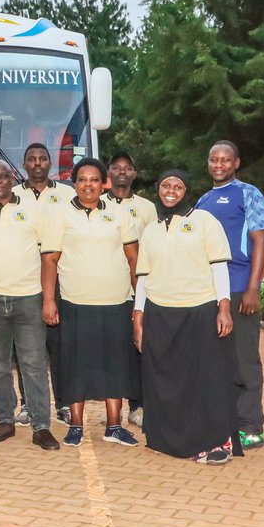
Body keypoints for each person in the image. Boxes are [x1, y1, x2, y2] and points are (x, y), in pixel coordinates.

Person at [134, 170, 239, 465]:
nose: (171, 190)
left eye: (177, 186)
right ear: (158, 189)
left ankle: (215, 443)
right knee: (163, 381)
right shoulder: (151, 229)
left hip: (199, 310)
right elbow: (143, 278)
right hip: (160, 313)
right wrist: (138, 318)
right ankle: (166, 440)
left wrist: (224, 307)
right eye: (165, 185)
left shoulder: (205, 221)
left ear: (186, 190)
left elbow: (219, 268)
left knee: (204, 380)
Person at [41, 157, 140, 448]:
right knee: (76, 366)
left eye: (94, 180)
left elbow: (134, 259)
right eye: (82, 179)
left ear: (103, 183)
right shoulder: (60, 215)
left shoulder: (120, 214)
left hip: (117, 302)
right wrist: (49, 301)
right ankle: (75, 425)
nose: (88, 185)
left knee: (116, 366)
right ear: (75, 183)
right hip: (75, 303)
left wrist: (140, 303)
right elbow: (50, 260)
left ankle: (114, 426)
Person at [0, 160, 59, 450]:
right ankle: (5, 419)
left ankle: (41, 425)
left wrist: (47, 297)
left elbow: (48, 254)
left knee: (34, 364)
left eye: (4, 175)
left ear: (12, 179)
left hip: (29, 297)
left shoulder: (34, 211)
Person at [195, 141, 264, 450]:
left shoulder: (248, 194)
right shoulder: (202, 200)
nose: (219, 164)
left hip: (240, 287)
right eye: (214, 159)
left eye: (226, 160)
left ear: (236, 163)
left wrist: (253, 288)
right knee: (215, 359)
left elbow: (260, 242)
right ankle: (222, 422)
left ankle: (251, 426)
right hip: (210, 289)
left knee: (244, 359)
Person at [12, 142, 70, 425]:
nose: (37, 163)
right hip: (24, 279)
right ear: (24, 165)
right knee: (27, 347)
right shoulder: (12, 196)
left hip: (60, 277)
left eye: (42, 159)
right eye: (31, 159)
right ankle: (27, 404)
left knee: (60, 346)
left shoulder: (67, 194)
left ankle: (64, 403)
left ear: (50, 164)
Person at [105, 151, 158, 428]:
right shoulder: (97, 203)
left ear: (135, 173)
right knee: (110, 352)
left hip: (136, 291)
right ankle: (108, 406)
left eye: (127, 167)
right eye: (116, 167)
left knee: (137, 350)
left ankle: (137, 407)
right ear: (109, 173)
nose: (122, 172)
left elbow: (152, 248)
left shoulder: (147, 208)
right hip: (105, 291)